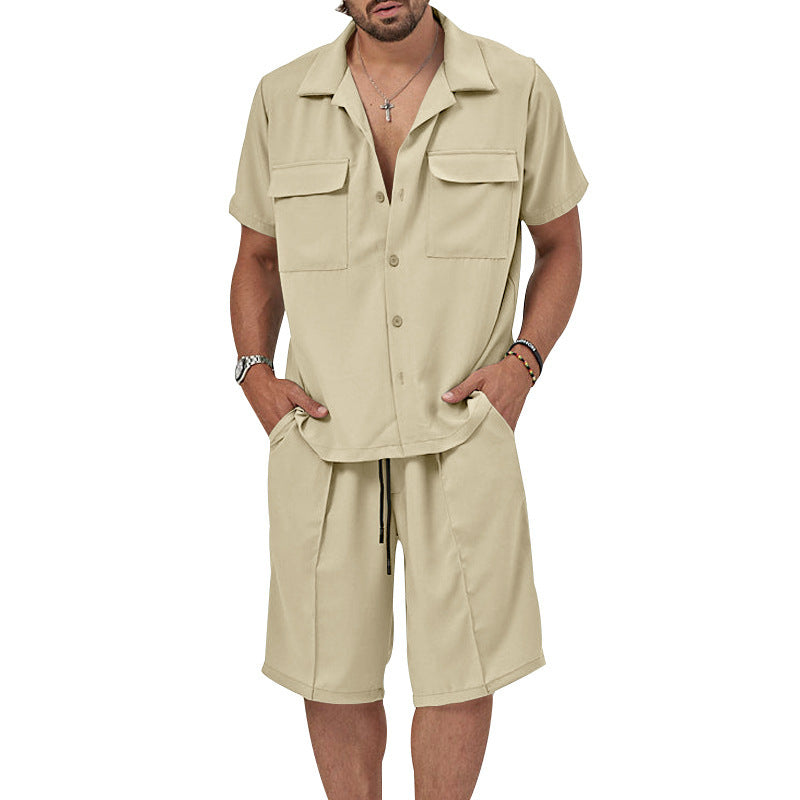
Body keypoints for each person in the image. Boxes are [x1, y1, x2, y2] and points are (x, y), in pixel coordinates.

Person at [228, 2, 587, 797]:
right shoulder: (281, 99)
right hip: (325, 433)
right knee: (332, 671)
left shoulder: (517, 87)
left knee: (463, 667)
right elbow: (258, 256)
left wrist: (523, 365)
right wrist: (254, 371)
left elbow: (560, 242)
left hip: (461, 430)